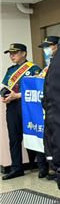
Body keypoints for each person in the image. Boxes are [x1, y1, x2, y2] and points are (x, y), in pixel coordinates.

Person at [2, 43, 41, 180]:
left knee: (34, 135)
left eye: (15, 53)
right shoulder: (10, 70)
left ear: (24, 53)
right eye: (10, 54)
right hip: (12, 107)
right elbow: (6, 86)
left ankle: (42, 168)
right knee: (14, 138)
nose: (12, 56)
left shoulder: (34, 69)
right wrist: (5, 97)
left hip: (28, 106)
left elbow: (37, 90)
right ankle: (16, 168)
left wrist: (17, 96)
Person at [37, 36, 60, 180]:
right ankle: (57, 170)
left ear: (57, 46)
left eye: (49, 46)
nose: (47, 50)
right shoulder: (49, 65)